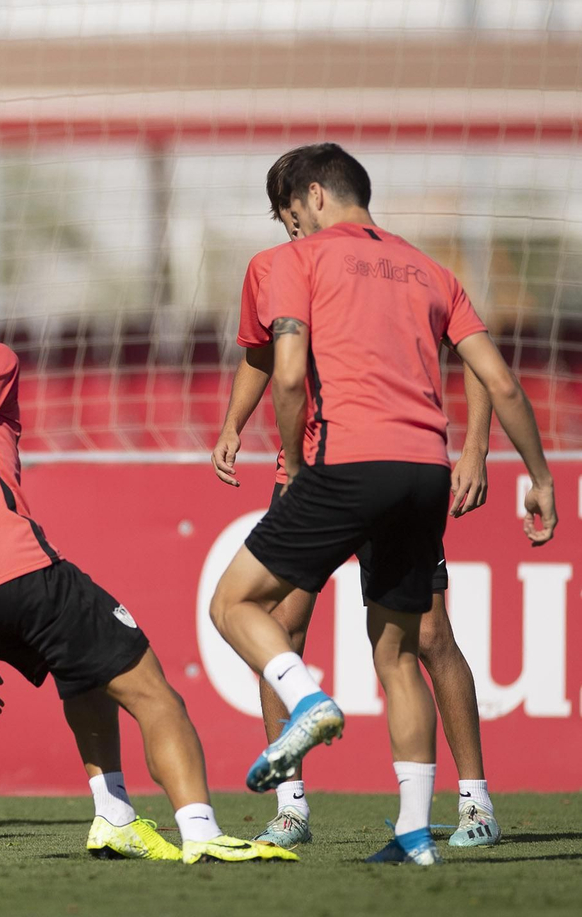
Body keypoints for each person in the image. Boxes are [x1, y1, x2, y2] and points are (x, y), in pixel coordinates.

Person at [0, 258, 293, 865]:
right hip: (16, 574)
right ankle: (201, 832)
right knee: (155, 693)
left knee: (85, 674)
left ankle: (114, 817)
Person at [207, 143, 557, 866]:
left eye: (290, 213)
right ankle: (393, 829)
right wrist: (539, 476)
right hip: (419, 469)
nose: (289, 228)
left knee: (242, 606)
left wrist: (297, 465)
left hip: (335, 464)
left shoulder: (296, 263)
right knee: (390, 649)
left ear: (313, 197)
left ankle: (329, 717)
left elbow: (289, 372)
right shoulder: (429, 269)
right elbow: (498, 377)